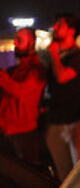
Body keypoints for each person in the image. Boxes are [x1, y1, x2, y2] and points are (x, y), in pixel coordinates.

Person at [44, 12, 80, 180]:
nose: (55, 28)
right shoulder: (57, 58)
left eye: (60, 25)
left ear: (72, 31)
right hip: (58, 122)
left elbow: (62, 77)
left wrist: (53, 54)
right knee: (63, 178)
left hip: (79, 121)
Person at [0, 28, 46, 165]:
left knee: (28, 178)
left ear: (32, 43)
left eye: (19, 40)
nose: (14, 43)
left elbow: (21, 92)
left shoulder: (37, 70)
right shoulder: (13, 71)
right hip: (6, 131)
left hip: (24, 134)